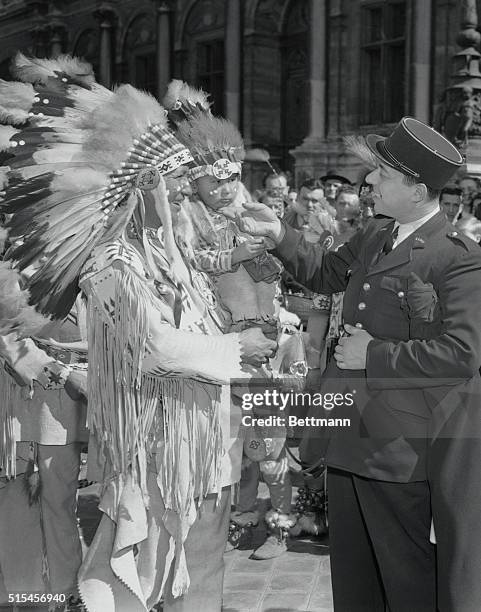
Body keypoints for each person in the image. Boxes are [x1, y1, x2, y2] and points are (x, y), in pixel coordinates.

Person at [0, 54, 275, 612]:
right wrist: (234, 351)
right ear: (140, 189)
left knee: (190, 566)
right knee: (126, 563)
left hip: (195, 439)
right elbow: (148, 347)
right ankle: (37, 595)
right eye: (174, 186)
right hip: (148, 442)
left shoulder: (169, 258)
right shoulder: (112, 266)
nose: (183, 196)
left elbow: (202, 292)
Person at [237, 116, 481, 611]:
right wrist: (279, 234)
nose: (369, 181)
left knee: (405, 578)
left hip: (400, 449)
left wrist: (371, 354)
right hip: (349, 435)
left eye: (382, 175)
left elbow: (462, 353)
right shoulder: (375, 233)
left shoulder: (458, 256)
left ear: (416, 190)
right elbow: (325, 272)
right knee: (354, 578)